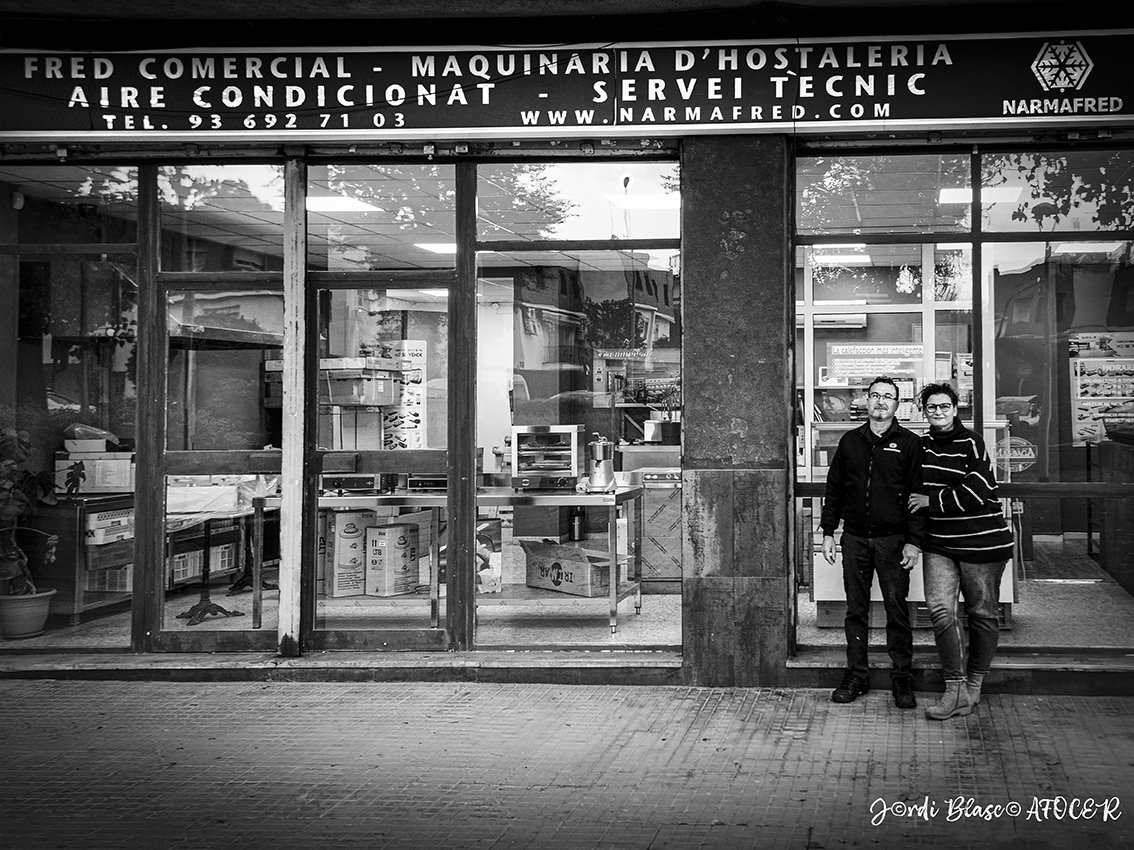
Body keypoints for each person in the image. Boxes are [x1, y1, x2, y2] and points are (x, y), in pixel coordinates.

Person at [908, 382, 1014, 721]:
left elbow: (977, 491)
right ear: (924, 412)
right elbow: (912, 494)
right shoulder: (921, 446)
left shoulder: (972, 442)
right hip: (939, 543)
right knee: (941, 612)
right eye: (931, 407)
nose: (938, 412)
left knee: (983, 614)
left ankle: (974, 685)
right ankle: (954, 688)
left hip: (982, 543)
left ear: (955, 409)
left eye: (944, 406)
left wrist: (931, 501)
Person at [820, 376, 924, 709]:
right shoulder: (850, 441)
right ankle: (857, 676)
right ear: (866, 401)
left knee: (897, 610)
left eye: (888, 397)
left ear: (897, 404)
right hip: (854, 539)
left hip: (893, 541)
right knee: (856, 610)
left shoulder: (910, 444)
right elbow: (835, 489)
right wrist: (828, 532)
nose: (881, 401)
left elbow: (918, 495)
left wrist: (914, 542)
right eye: (875, 395)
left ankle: (902, 677)